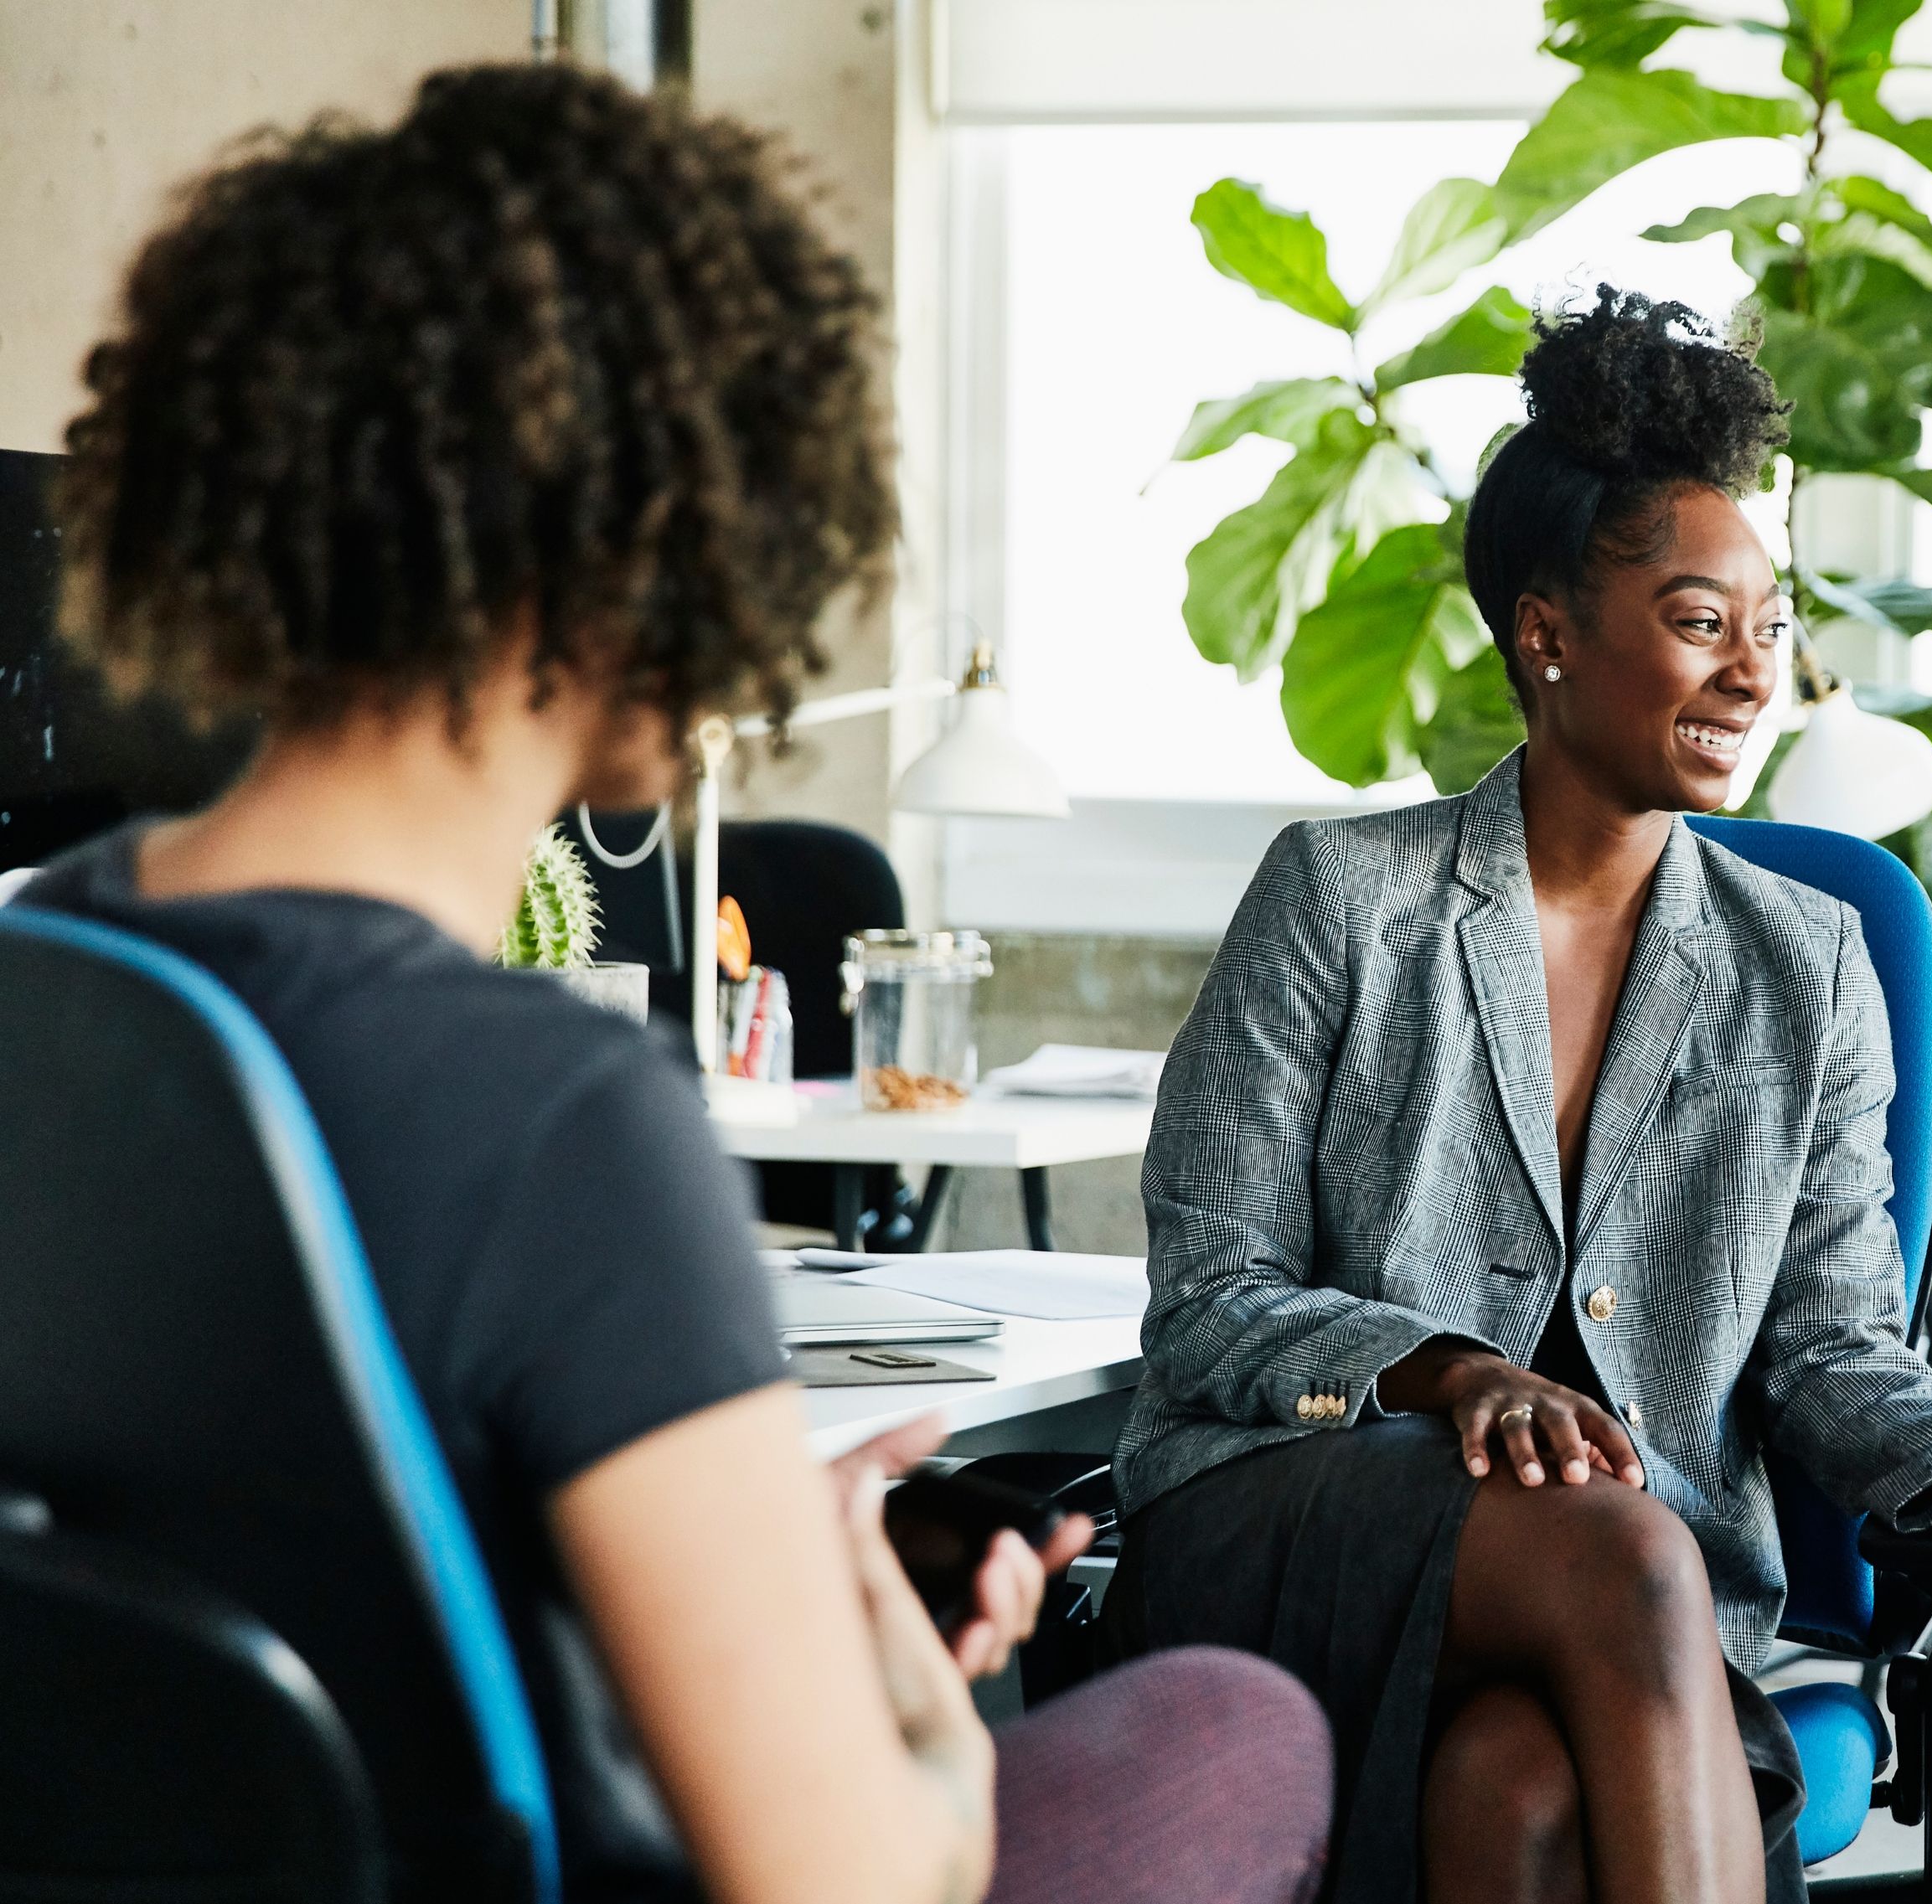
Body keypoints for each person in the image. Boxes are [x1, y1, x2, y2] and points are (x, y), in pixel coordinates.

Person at [18, 64, 1328, 1904]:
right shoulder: (554, 1112)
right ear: (647, 537)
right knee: (1230, 1726)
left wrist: (736, 1557)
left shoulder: (46, 968)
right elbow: (845, 1881)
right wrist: (903, 1690)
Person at [1100, 289, 1932, 1904]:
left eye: (1765, 626)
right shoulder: (1340, 896)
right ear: (1547, 633)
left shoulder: (1806, 962)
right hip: (1302, 1520)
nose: (1748, 672)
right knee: (1617, 1534)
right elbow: (1210, 1306)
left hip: (1620, 1611)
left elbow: (1827, 1343)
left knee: (1517, 1793)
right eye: (1694, 617)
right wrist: (1449, 1373)